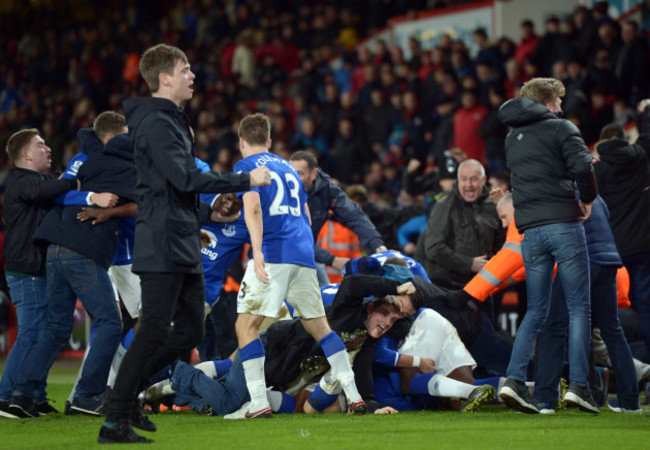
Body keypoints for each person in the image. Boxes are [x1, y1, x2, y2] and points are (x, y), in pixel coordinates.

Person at [99, 44, 270, 444]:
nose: (193, 75)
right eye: (186, 69)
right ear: (164, 78)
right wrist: (244, 180)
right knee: (154, 328)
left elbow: (179, 187)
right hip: (161, 239)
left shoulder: (173, 120)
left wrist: (210, 214)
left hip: (181, 239)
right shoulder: (158, 124)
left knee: (190, 329)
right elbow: (184, 179)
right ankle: (115, 416)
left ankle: (126, 395)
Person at [231, 113, 370, 420]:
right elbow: (306, 215)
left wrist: (257, 252)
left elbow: (252, 208)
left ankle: (257, 403)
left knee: (246, 326)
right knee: (320, 327)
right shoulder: (290, 170)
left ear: (242, 142)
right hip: (303, 255)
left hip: (274, 251)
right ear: (268, 141)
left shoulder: (247, 167)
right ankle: (354, 395)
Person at [8, 117, 136, 419]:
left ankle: (22, 393)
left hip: (53, 249)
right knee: (110, 322)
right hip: (85, 251)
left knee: (55, 328)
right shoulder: (125, 165)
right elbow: (148, 204)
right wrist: (107, 208)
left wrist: (88, 196)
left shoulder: (80, 160)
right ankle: (86, 395)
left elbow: (60, 192)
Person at [496, 77, 598, 414]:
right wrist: (587, 199)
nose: (562, 107)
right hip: (564, 225)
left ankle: (512, 379)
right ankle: (580, 386)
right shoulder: (561, 128)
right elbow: (583, 166)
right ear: (548, 101)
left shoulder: (512, 138)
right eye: (558, 101)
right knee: (578, 309)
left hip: (531, 233)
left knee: (535, 311)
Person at [0, 129, 79, 418]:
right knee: (32, 333)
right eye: (40, 145)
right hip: (27, 269)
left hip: (39, 268)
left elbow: (50, 187)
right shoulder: (20, 180)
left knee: (47, 334)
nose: (47, 149)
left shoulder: (41, 180)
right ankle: (6, 397)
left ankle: (34, 394)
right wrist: (74, 180)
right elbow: (45, 191)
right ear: (26, 155)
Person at [594, 99, 650, 360]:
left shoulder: (595, 170)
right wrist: (646, 112)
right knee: (646, 305)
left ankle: (621, 366)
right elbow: (647, 138)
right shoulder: (638, 157)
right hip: (642, 247)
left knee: (607, 311)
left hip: (609, 252)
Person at [289, 151, 387, 276]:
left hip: (309, 255)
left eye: (299, 174)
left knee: (323, 290)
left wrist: (378, 246)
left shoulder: (327, 191)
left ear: (313, 174)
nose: (293, 179)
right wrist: (332, 260)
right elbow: (294, 237)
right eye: (291, 173)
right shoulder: (281, 192)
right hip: (277, 256)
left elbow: (355, 216)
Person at [422, 159, 505, 288]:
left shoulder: (492, 205)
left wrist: (504, 207)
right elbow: (433, 248)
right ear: (458, 181)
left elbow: (502, 241)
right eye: (464, 179)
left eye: (474, 179)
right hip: (449, 284)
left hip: (485, 282)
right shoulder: (444, 206)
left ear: (483, 180)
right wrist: (469, 264)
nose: (469, 184)